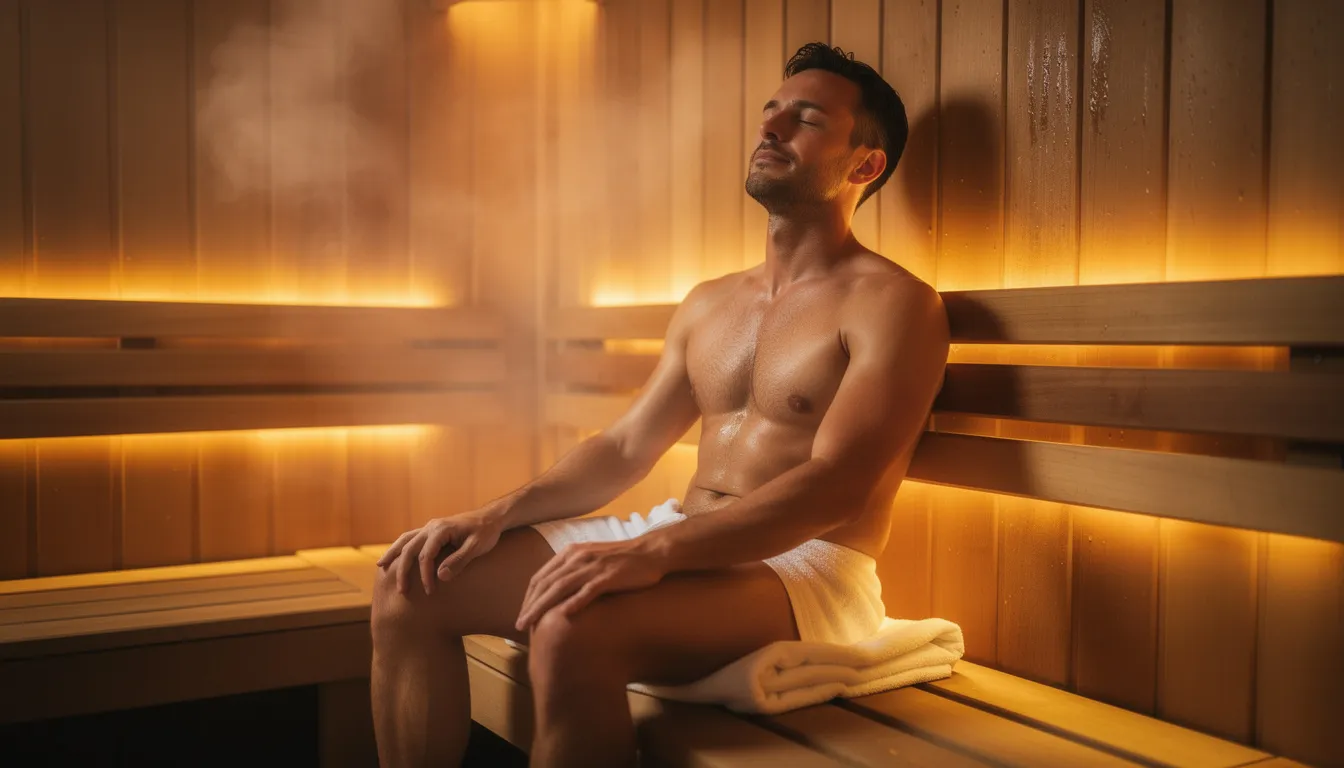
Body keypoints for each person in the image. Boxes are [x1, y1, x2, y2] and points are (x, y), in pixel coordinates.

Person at [370, 42, 949, 768]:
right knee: (411, 584)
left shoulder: (894, 304)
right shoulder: (709, 304)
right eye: (770, 111)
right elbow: (622, 449)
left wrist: (651, 554)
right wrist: (495, 514)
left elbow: (837, 486)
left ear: (865, 165)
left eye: (805, 119)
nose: (770, 128)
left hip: (804, 566)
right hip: (681, 531)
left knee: (569, 626)